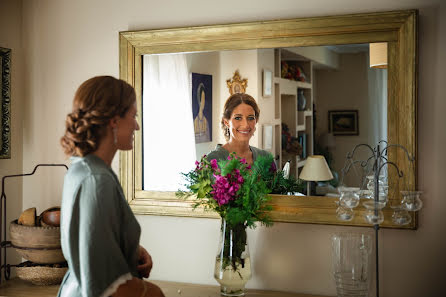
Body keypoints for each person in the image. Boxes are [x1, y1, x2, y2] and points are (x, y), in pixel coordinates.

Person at [58, 76, 164, 297]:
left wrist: (129, 251)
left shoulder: (83, 168)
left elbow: (90, 240)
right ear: (114, 121)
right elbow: (103, 285)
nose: (137, 125)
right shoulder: (96, 180)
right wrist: (153, 292)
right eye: (133, 116)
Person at [206, 93, 271, 164]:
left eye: (250, 118)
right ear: (226, 122)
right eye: (238, 118)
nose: (245, 125)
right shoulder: (211, 160)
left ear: (256, 121)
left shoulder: (266, 157)